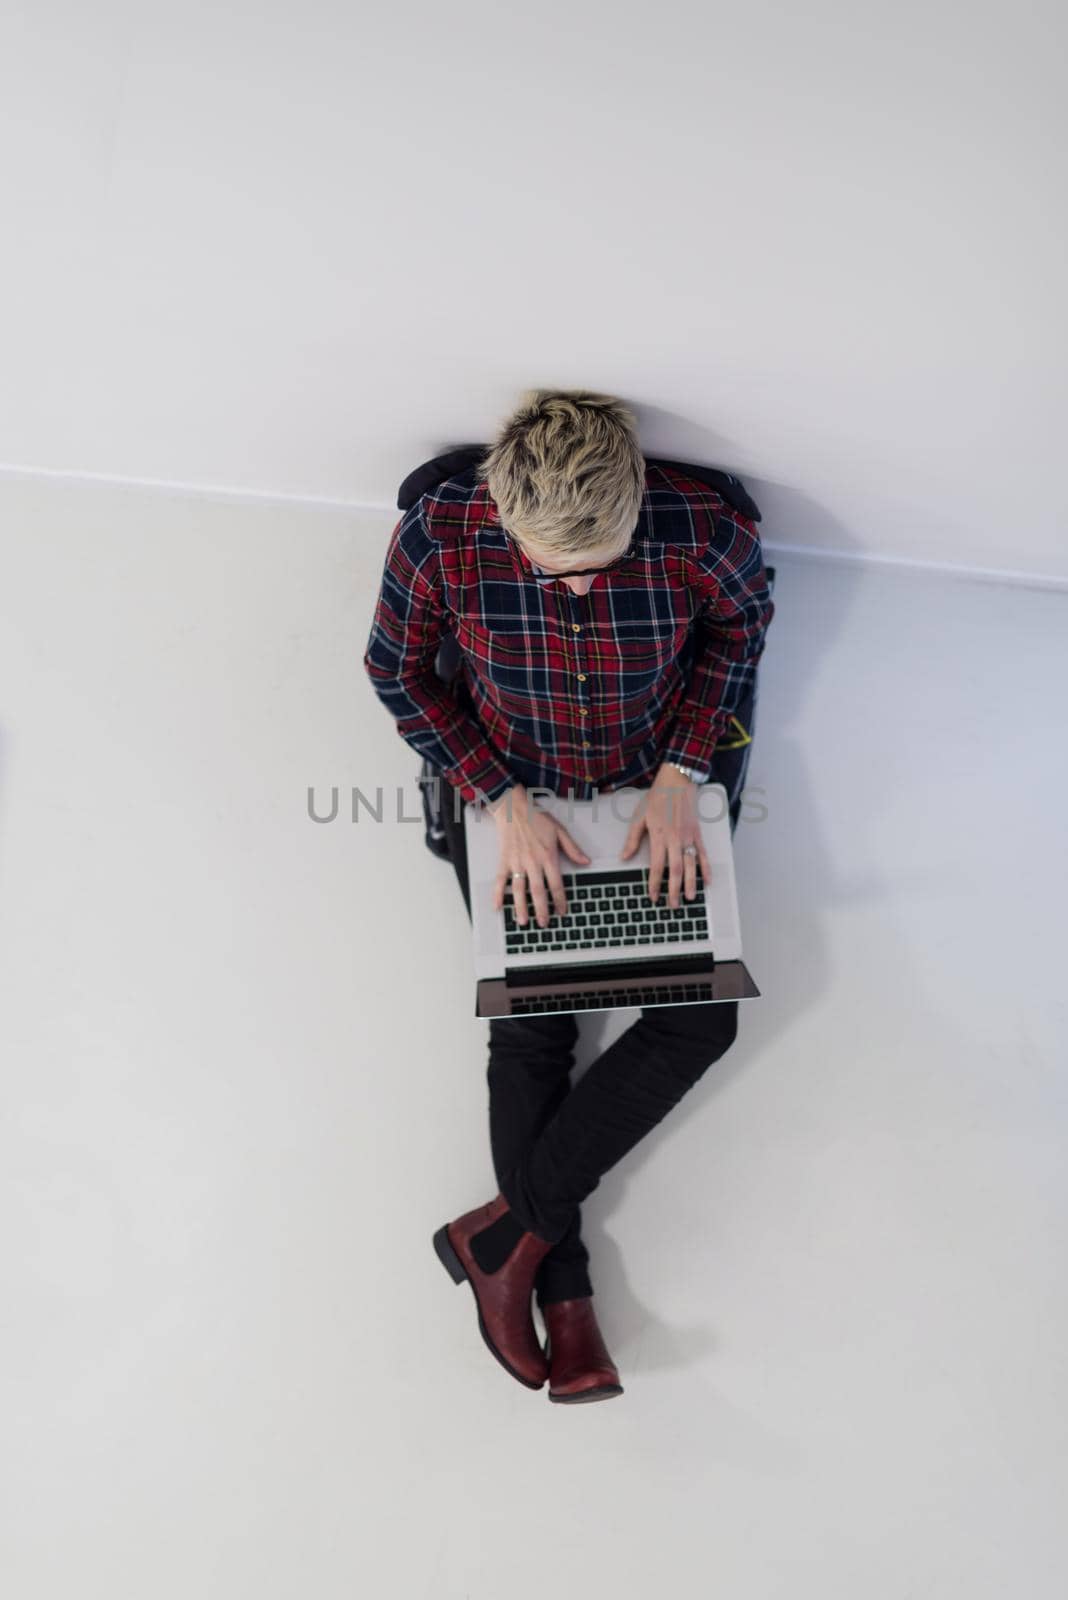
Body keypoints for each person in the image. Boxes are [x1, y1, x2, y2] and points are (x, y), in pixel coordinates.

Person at [363, 389, 774, 1403]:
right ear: (506, 515)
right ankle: (565, 1296)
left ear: (635, 505)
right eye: (558, 574)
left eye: (601, 569)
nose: (582, 591)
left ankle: (502, 1236)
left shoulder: (704, 527)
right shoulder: (443, 535)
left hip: (651, 799)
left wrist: (684, 773)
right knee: (535, 1033)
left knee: (701, 1022)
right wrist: (496, 797)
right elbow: (398, 672)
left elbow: (741, 630)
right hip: (512, 802)